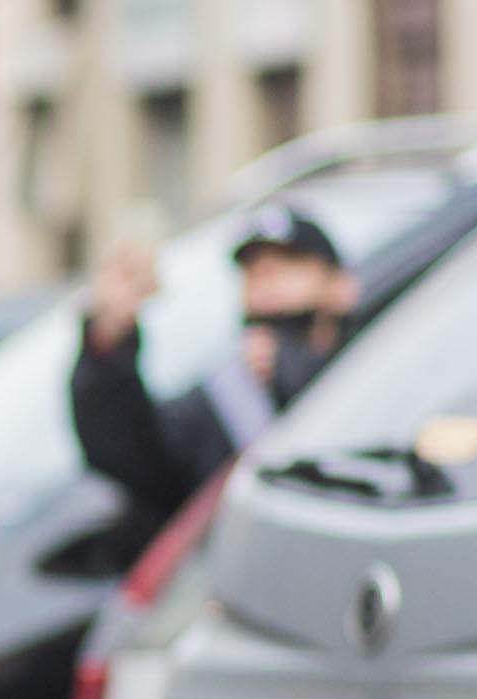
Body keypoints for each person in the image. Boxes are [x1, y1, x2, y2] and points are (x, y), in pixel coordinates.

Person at [69, 203, 359, 539]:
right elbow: (132, 453)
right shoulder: (223, 403)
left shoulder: (385, 373)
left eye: (289, 264)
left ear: (342, 288)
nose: (266, 282)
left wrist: (297, 377)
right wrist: (109, 340)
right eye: (254, 270)